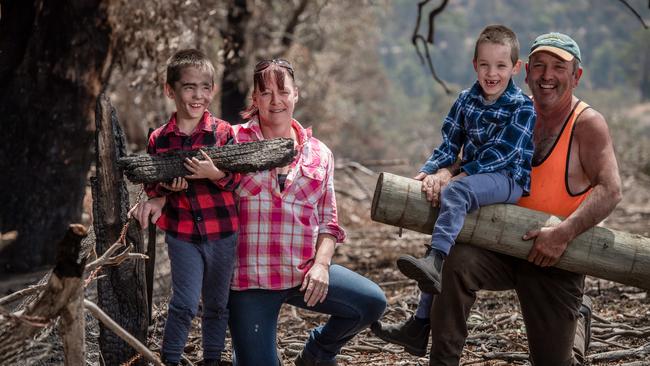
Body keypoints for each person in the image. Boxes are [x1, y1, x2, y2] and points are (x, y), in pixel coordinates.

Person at [372, 32, 622, 366]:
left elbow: (611, 190)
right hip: (497, 243)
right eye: (540, 66)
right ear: (526, 71)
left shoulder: (587, 123)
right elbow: (476, 154)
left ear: (576, 76)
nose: (547, 75)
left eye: (558, 68)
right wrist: (444, 171)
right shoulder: (507, 105)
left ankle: (577, 322)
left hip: (554, 257)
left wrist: (563, 235)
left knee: (554, 362)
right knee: (454, 261)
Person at [133, 59, 387, 366]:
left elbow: (329, 223)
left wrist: (321, 265)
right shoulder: (229, 139)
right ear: (255, 98)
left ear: (297, 94)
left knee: (372, 302)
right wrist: (159, 199)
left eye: (283, 91)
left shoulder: (320, 153)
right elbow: (187, 175)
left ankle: (318, 354)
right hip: (249, 281)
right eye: (265, 93)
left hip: (302, 272)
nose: (275, 100)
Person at [396, 25, 536, 295]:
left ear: (516, 67)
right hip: (473, 179)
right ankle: (420, 321)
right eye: (484, 64)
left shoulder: (522, 107)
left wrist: (462, 175)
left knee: (456, 191)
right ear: (475, 65)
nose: (492, 73)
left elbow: (501, 153)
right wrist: (429, 172)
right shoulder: (465, 100)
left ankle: (435, 257)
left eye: (500, 66)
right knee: (443, 198)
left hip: (508, 179)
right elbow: (449, 144)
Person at [135, 49, 240, 366]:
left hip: (222, 233)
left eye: (205, 87)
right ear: (170, 90)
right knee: (183, 302)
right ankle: (170, 359)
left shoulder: (223, 133)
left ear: (213, 90)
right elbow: (151, 182)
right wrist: (165, 188)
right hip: (182, 234)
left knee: (218, 305)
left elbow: (237, 181)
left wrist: (216, 174)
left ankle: (211, 359)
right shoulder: (160, 138)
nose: (198, 95)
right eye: (189, 87)